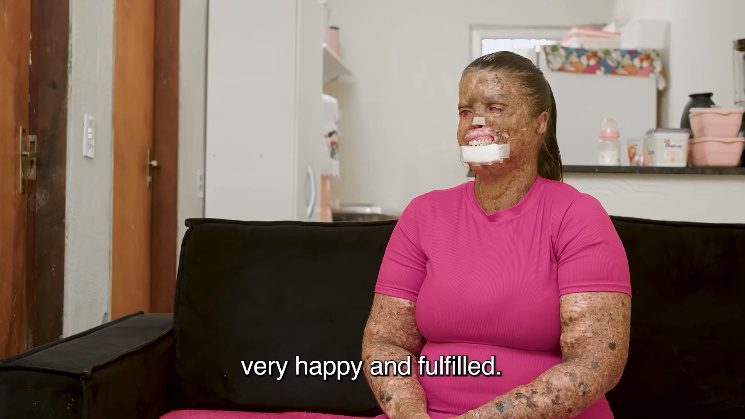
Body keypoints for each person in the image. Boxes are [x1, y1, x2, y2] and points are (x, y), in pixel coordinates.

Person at [361, 51, 632, 419]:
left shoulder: (578, 216)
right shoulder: (423, 214)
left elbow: (595, 364)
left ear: (540, 122)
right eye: (464, 111)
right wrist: (410, 414)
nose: (476, 122)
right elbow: (386, 343)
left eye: (495, 107)